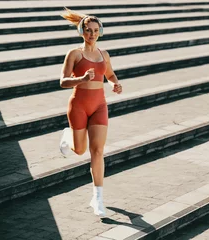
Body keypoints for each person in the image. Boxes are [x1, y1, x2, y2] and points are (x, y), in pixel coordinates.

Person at [59, 7, 122, 218]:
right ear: (81, 31)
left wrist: (115, 83)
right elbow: (63, 81)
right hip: (78, 105)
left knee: (97, 151)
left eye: (95, 30)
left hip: (99, 106)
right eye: (88, 30)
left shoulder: (104, 54)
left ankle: (98, 198)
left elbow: (110, 75)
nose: (92, 34)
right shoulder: (74, 53)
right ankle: (68, 137)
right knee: (79, 150)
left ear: (100, 32)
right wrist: (81, 79)